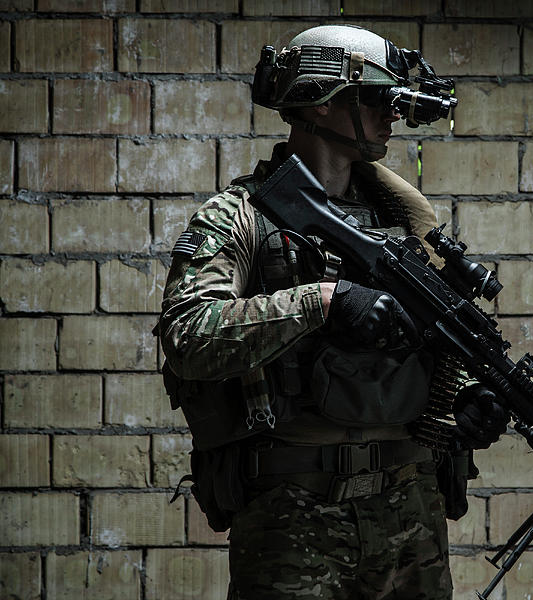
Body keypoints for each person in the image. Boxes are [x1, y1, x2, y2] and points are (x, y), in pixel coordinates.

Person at [155, 25, 508, 599]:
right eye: (376, 99)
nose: (392, 117)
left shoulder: (404, 225)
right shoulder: (241, 217)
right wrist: (323, 301)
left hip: (411, 510)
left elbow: (435, 346)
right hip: (295, 514)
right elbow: (189, 335)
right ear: (322, 100)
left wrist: (468, 397)